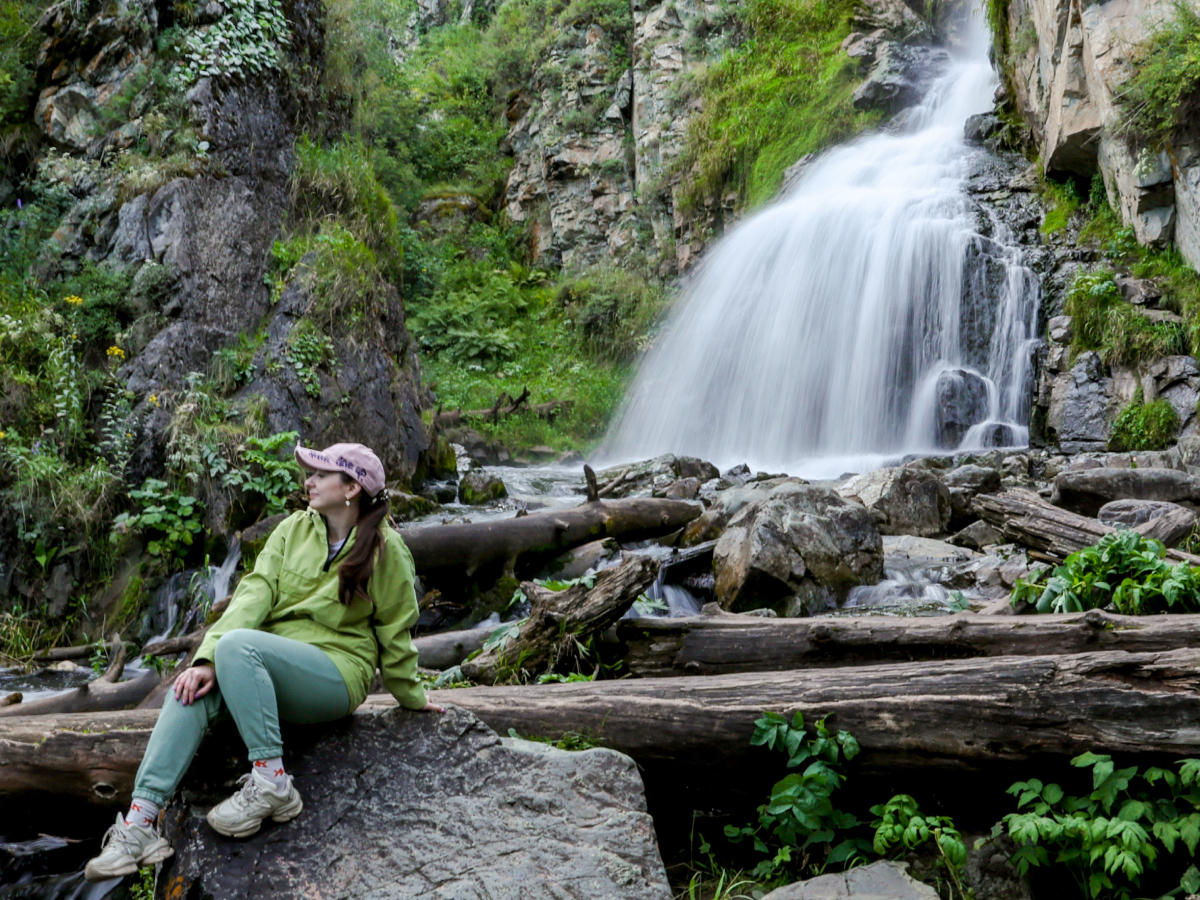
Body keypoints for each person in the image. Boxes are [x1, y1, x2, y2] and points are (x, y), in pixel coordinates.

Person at [85, 442, 444, 881]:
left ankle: (272, 781)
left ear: (352, 488)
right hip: (261, 666)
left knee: (236, 648)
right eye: (308, 472)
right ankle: (141, 822)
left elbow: (397, 632)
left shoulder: (387, 550)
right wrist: (207, 660)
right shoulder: (293, 529)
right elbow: (253, 594)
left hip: (335, 674)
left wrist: (412, 697)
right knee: (190, 689)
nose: (307, 481)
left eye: (319, 474)